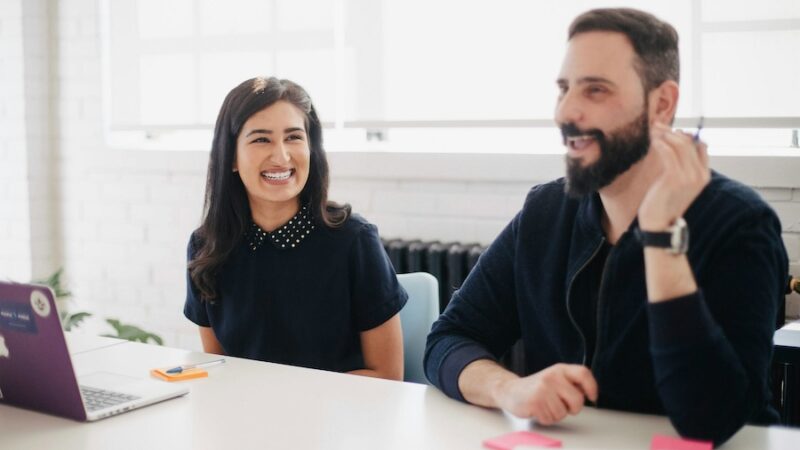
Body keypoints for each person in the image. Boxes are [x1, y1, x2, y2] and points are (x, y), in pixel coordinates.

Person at [424, 8, 786, 445]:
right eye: (564, 89)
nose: (567, 111)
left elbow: (712, 420)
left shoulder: (741, 225)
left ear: (662, 104)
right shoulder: (546, 211)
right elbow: (448, 339)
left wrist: (661, 236)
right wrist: (510, 388)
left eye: (596, 90)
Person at [184, 77, 407, 381]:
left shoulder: (353, 240)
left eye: (293, 137)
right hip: (247, 417)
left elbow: (388, 375)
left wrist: (285, 398)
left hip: (341, 418)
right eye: (261, 139)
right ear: (231, 157)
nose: (281, 156)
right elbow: (221, 368)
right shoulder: (206, 247)